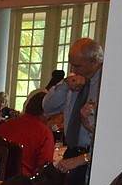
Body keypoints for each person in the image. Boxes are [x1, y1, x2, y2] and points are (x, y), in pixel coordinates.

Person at [43, 38, 103, 175]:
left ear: (94, 62)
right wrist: (65, 86)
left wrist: (84, 158)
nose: (72, 70)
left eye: (77, 66)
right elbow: (48, 107)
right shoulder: (72, 81)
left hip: (91, 155)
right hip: (71, 151)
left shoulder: (105, 85)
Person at [0, 92, 55, 177]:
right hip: (25, 183)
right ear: (45, 112)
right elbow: (45, 168)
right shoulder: (44, 133)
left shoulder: (4, 126)